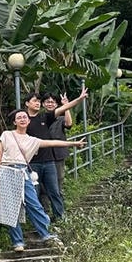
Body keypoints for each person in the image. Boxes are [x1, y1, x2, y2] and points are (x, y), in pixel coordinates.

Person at [0, 109, 87, 252]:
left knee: (34, 204)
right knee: (11, 208)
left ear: (29, 121)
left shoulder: (32, 140)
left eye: (24, 117)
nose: (22, 119)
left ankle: (45, 234)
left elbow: (53, 143)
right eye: (19, 117)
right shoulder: (7, 134)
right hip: (6, 171)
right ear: (14, 122)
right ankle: (18, 242)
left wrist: (74, 143)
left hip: (23, 172)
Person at [27, 87, 87, 221]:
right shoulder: (24, 119)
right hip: (33, 162)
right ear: (27, 103)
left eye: (38, 101)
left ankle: (59, 218)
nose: (37, 103)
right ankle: (42, 218)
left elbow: (66, 120)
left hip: (51, 159)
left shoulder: (46, 117)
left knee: (55, 190)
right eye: (35, 101)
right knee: (37, 192)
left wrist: (78, 99)